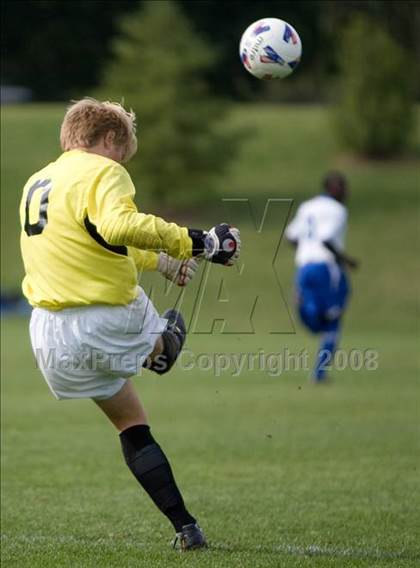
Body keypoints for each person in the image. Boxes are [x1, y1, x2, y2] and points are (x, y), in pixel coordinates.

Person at [19, 98, 241, 550]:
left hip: (48, 335)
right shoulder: (102, 170)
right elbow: (119, 224)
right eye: (124, 153)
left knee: (132, 424)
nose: (124, 165)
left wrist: (160, 260)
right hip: (102, 318)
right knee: (167, 336)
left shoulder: (39, 180)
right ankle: (162, 347)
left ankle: (186, 528)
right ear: (108, 140)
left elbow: (99, 238)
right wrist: (200, 243)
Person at [285, 172, 359, 382]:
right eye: (343, 187)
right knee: (333, 319)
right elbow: (327, 239)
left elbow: (291, 236)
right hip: (326, 267)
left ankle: (304, 305)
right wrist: (347, 260)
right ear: (334, 188)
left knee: (318, 316)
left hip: (304, 267)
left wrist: (307, 249)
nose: (347, 192)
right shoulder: (338, 210)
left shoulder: (307, 206)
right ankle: (319, 373)